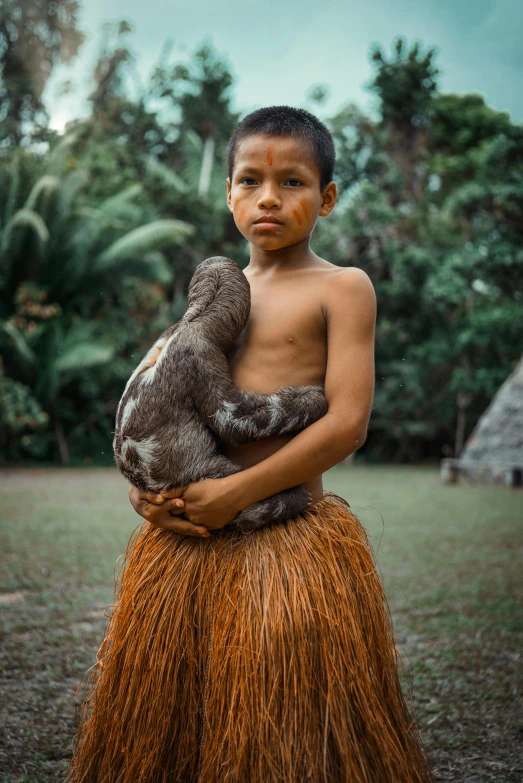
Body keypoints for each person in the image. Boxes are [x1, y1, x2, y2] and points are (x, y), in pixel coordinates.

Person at [68, 106, 433, 782]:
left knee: (281, 732)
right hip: (185, 544)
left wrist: (235, 493)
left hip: (286, 543)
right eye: (249, 180)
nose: (269, 197)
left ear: (326, 197)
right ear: (228, 191)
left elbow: (346, 422)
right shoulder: (215, 297)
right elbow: (163, 406)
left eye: (292, 181)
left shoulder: (341, 287)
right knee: (181, 723)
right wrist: (149, 496)